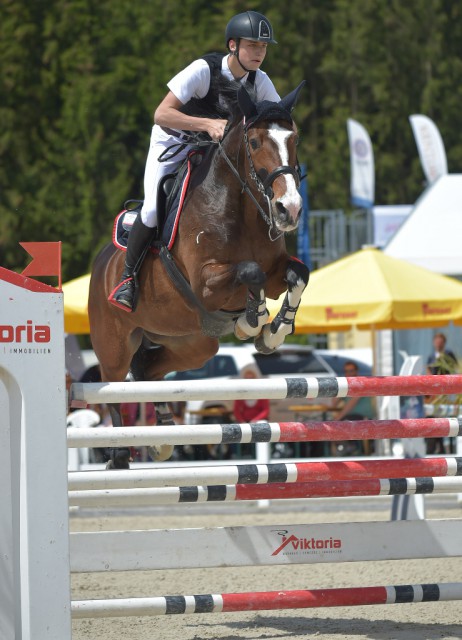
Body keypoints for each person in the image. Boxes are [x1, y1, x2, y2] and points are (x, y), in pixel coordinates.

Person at [110, 10, 279, 311]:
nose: (259, 53)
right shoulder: (203, 70)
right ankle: (129, 279)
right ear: (232, 45)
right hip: (173, 144)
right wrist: (206, 125)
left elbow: (277, 121)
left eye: (263, 47)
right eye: (252, 45)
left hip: (214, 155)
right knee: (151, 209)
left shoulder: (260, 82)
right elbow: (161, 114)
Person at [331, 361, 375, 456]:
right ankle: (346, 448)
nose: (349, 373)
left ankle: (350, 448)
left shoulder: (360, 383)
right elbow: (334, 404)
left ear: (356, 371)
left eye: (351, 371)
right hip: (352, 416)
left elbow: (350, 405)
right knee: (329, 426)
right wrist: (340, 389)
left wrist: (337, 418)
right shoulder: (347, 385)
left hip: (362, 416)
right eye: (346, 371)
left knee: (337, 424)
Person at [426, 332, 458, 454]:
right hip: (435, 392)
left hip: (447, 391)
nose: (438, 344)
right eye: (436, 341)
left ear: (443, 343)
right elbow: (428, 369)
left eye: (440, 342)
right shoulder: (431, 356)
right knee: (436, 417)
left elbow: (454, 368)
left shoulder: (448, 354)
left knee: (449, 418)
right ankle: (439, 446)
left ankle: (450, 447)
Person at [233, 365, 270, 458]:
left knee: (261, 429)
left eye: (251, 378)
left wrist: (255, 420)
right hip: (245, 420)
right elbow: (236, 410)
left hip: (258, 421)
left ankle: (261, 456)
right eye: (247, 378)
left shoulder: (262, 392)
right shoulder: (241, 393)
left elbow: (266, 410)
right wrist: (242, 421)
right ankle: (240, 455)